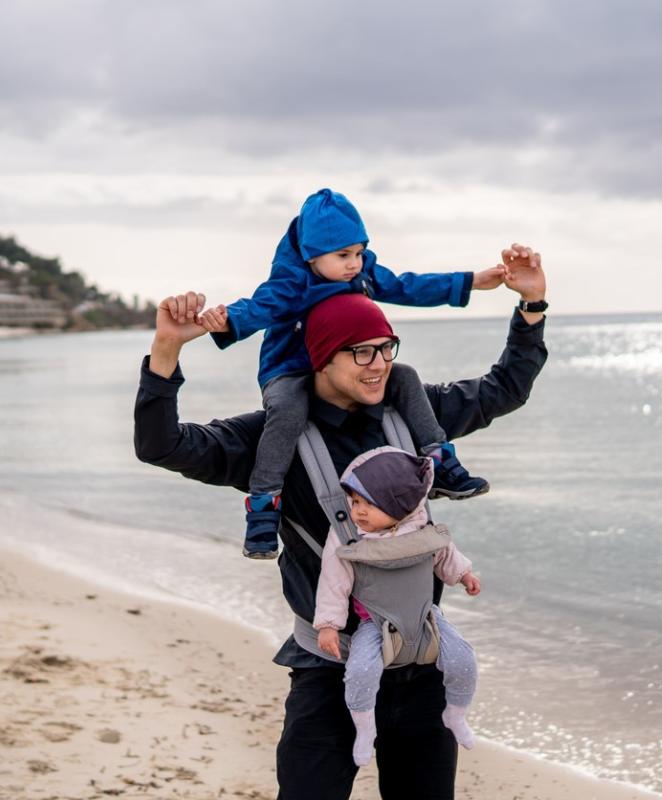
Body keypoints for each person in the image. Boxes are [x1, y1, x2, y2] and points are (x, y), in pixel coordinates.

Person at [134, 243, 546, 800]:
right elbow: (161, 446)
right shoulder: (267, 440)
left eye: (385, 348)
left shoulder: (413, 413)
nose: (379, 364)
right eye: (360, 353)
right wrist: (166, 350)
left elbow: (505, 389)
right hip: (327, 673)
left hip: (420, 668)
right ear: (320, 358)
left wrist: (532, 308)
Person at [196, 188, 505, 559]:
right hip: (291, 371)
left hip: (347, 368)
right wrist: (224, 319)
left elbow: (407, 286)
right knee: (288, 412)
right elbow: (255, 308)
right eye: (343, 255)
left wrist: (470, 281)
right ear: (311, 255)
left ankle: (440, 460)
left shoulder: (362, 272)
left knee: (404, 375)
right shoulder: (292, 282)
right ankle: (264, 505)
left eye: (359, 252)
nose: (354, 264)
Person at [314, 445, 481, 767]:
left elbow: (445, 553)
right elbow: (333, 580)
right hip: (375, 623)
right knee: (360, 671)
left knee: (463, 659)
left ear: (399, 504)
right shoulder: (349, 538)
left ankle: (456, 714)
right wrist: (328, 625)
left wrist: (464, 575)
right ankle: (365, 730)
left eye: (369, 504)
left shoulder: (421, 528)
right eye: (355, 502)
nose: (358, 511)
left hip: (426, 617)